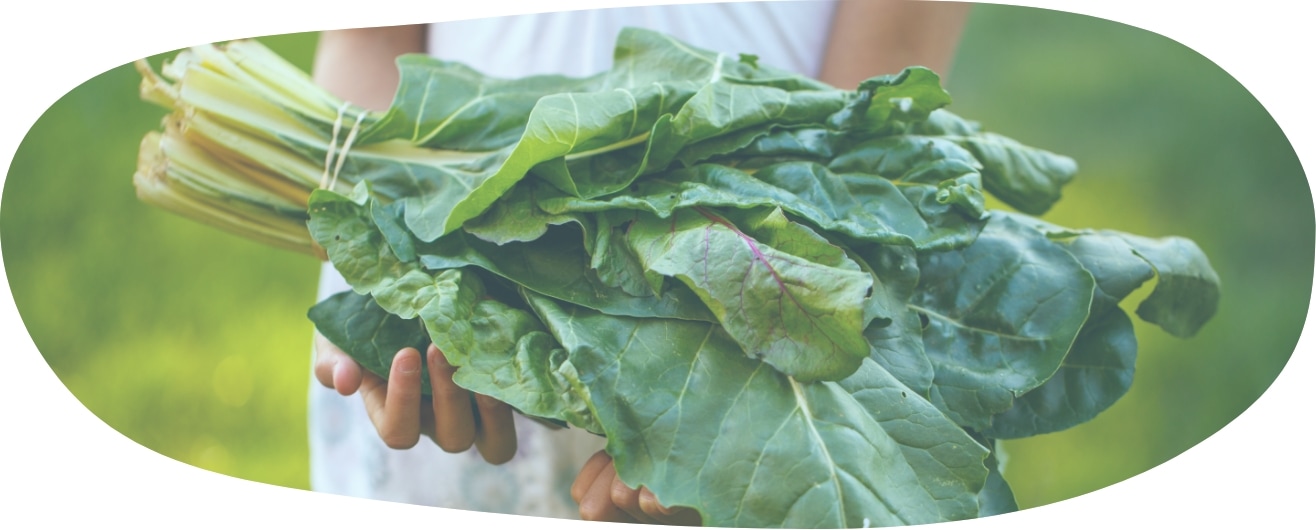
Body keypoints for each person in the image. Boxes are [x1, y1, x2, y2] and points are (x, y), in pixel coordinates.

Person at [308, 1, 970, 524]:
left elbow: (860, 122)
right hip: (454, 289)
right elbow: (368, 39)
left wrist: (742, 416)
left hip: (735, 332)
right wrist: (377, 251)